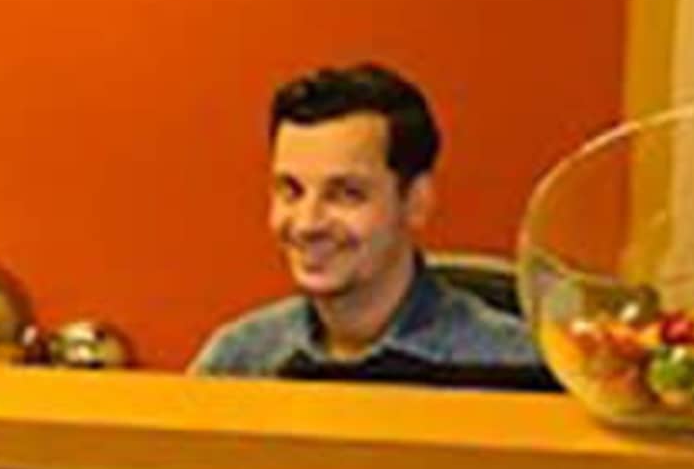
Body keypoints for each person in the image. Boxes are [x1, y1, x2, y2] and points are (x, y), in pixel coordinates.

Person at [191, 62, 537, 380]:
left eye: (345, 194)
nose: (308, 223)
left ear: (416, 202)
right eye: (291, 192)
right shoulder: (237, 363)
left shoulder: (514, 368)